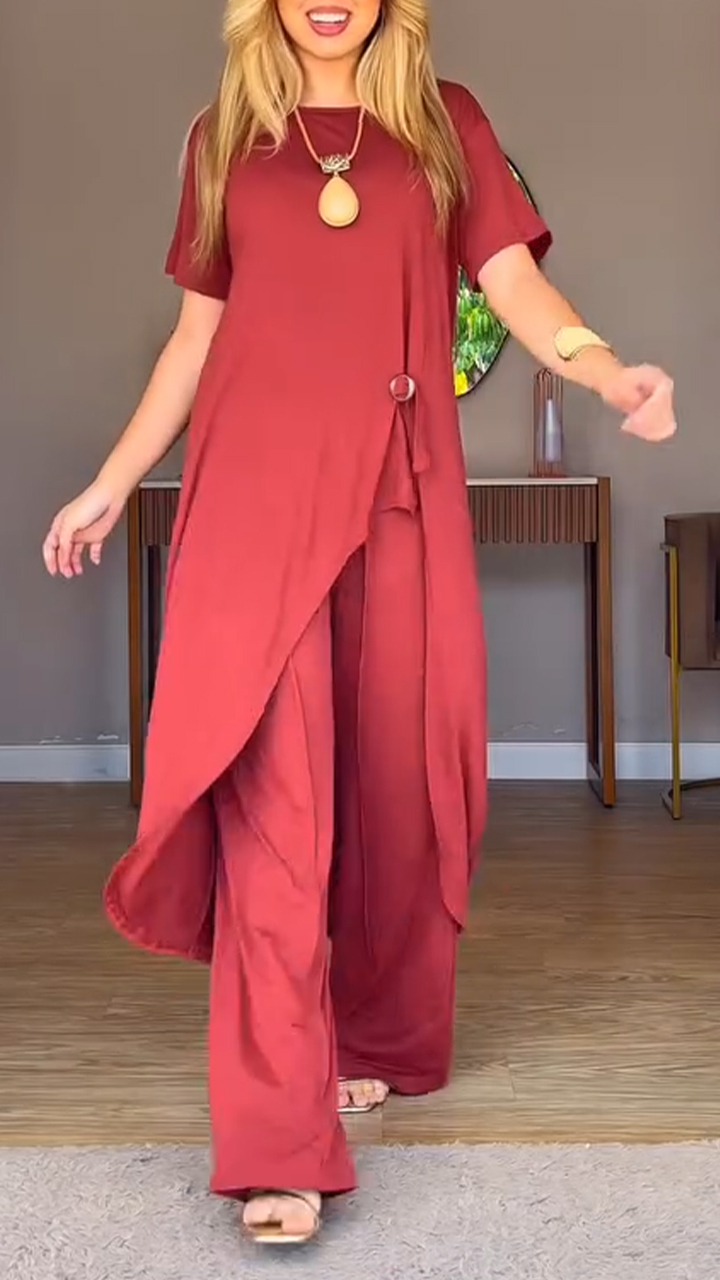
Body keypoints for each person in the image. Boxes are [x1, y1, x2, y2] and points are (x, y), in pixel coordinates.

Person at [42, 0, 676, 1248]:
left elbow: (513, 281)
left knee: (398, 782)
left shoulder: (446, 124)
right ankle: (276, 1147)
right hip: (254, 500)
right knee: (272, 819)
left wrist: (606, 369)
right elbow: (197, 334)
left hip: (399, 494)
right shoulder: (223, 136)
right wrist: (112, 482)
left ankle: (374, 1032)